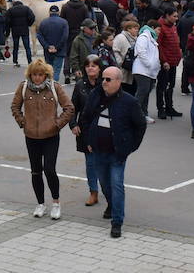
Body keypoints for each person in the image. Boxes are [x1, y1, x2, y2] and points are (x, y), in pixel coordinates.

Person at [78, 66, 148, 238]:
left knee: (117, 185)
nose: (104, 82)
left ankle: (117, 222)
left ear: (118, 81)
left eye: (108, 79)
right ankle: (111, 204)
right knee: (104, 183)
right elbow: (85, 117)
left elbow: (140, 125)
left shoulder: (129, 102)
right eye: (103, 78)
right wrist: (87, 141)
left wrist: (130, 147)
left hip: (117, 153)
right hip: (97, 150)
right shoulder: (95, 95)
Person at [10, 59, 74, 221]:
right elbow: (15, 106)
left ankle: (56, 203)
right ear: (30, 75)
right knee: (36, 171)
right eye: (34, 75)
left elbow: (69, 108)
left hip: (51, 136)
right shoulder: (23, 87)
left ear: (46, 74)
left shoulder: (54, 87)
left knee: (49, 170)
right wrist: (22, 122)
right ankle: (40, 203)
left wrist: (57, 124)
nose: (37, 78)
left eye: (40, 75)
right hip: (31, 136)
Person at [69, 54, 105, 208]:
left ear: (99, 68)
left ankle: (108, 191)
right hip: (85, 129)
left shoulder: (105, 83)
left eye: (94, 65)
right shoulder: (80, 85)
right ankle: (93, 192)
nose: (90, 68)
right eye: (88, 65)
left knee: (103, 163)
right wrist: (73, 124)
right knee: (90, 163)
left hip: (103, 129)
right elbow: (72, 107)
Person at [155, 9, 183, 120]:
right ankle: (161, 109)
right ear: (167, 15)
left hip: (173, 61)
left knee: (170, 86)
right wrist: (164, 61)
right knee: (162, 86)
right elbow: (159, 45)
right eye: (174, 16)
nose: (177, 18)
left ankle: (169, 107)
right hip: (165, 62)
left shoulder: (173, 26)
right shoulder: (161, 27)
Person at [131, 17, 160, 120]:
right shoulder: (144, 37)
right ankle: (134, 114)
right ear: (152, 28)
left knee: (146, 92)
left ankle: (143, 113)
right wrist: (149, 64)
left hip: (148, 71)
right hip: (142, 70)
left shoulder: (152, 39)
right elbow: (141, 52)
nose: (159, 32)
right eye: (158, 29)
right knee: (142, 92)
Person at [37, 6, 69, 75]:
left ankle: (49, 84)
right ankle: (53, 84)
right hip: (60, 51)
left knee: (48, 71)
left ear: (49, 12)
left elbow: (39, 36)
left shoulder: (43, 22)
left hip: (48, 52)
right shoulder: (64, 22)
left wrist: (47, 46)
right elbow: (65, 36)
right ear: (59, 12)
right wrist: (57, 47)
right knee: (56, 71)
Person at [5, 0, 35, 67]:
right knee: (27, 47)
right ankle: (29, 62)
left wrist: (8, 32)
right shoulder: (26, 9)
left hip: (15, 30)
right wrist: (28, 24)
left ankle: (15, 61)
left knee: (16, 47)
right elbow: (32, 17)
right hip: (24, 29)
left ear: (13, 1)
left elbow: (7, 22)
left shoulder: (10, 10)